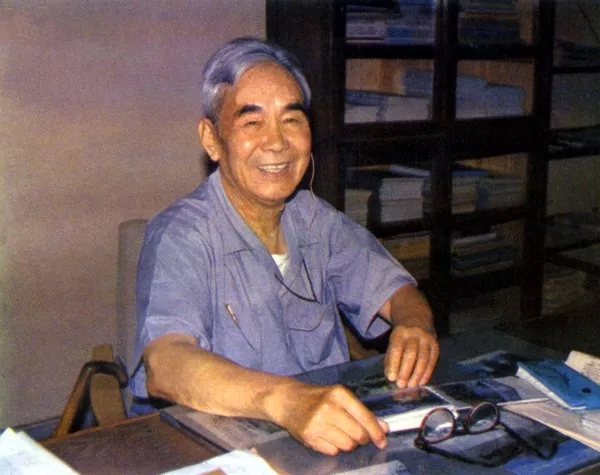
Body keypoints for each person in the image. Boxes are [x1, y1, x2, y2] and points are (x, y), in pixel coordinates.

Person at [131, 36, 439, 456]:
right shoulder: (181, 235)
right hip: (219, 449)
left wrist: (415, 326)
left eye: (291, 119)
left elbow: (398, 292)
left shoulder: (314, 218)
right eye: (251, 122)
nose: (276, 143)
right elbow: (166, 364)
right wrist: (287, 402)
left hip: (323, 440)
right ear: (212, 139)